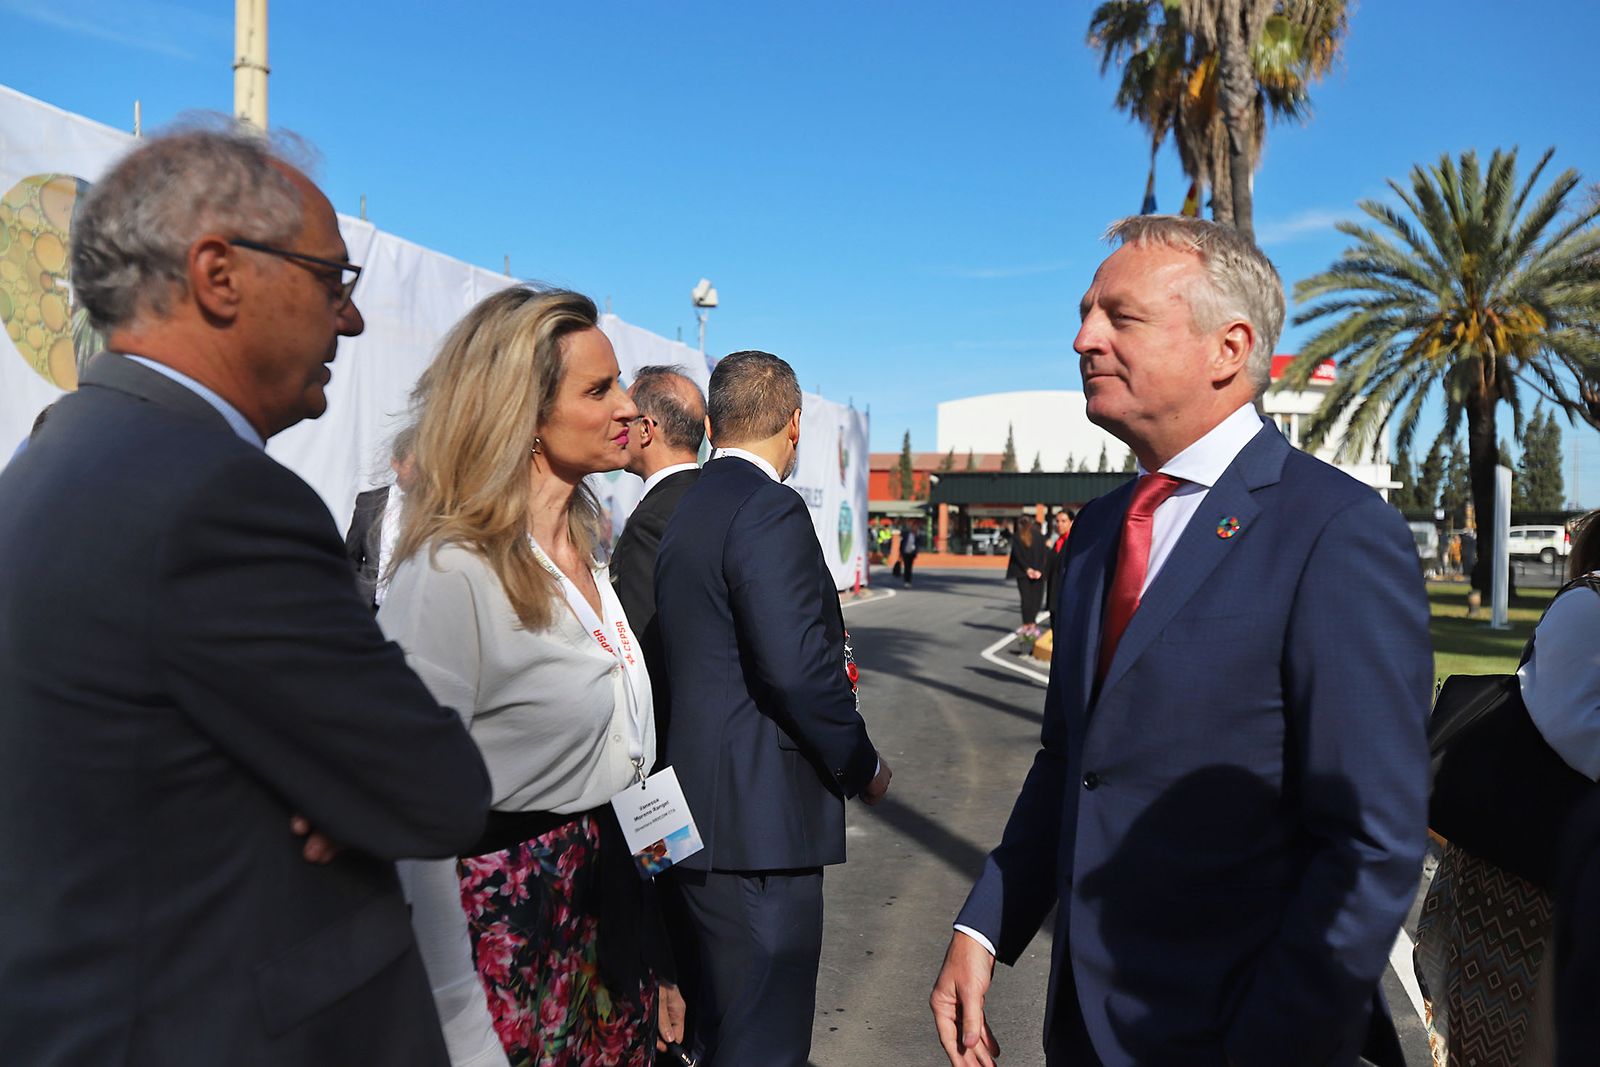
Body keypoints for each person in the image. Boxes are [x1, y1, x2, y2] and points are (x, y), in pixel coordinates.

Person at [0, 126, 492, 1065]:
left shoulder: (54, 455)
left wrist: (317, 770)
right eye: (330, 280)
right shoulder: (219, 498)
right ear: (219, 273)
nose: (348, 320)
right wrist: (329, 780)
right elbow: (434, 788)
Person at [931, 215, 1432, 1067]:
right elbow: (1070, 761)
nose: (1083, 337)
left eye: (1120, 317)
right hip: (1085, 1032)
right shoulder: (1093, 535)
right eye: (1087, 312)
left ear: (1227, 348)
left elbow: (1371, 841)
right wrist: (985, 922)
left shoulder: (1337, 533)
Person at [377, 287, 681, 1067]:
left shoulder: (592, 558)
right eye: (598, 389)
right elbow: (405, 825)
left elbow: (629, 764)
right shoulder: (451, 571)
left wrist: (666, 948)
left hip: (611, 922)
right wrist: (457, 1022)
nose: (628, 407)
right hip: (507, 941)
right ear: (526, 414)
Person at [654, 350, 893, 1065]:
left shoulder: (687, 506)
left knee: (725, 1029)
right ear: (794, 425)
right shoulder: (768, 506)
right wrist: (862, 764)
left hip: (693, 821)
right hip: (755, 830)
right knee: (765, 1039)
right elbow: (796, 670)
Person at [1420, 510, 1600, 1065]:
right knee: (1509, 1042)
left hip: (1558, 871)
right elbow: (1575, 729)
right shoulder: (1587, 607)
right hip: (1521, 876)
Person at [611, 363, 706, 703]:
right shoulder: (714, 500)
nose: (619, 427)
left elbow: (642, 646)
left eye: (627, 420)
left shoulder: (652, 520)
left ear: (647, 430)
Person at [345, 423, 418, 610]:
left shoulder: (434, 507)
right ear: (396, 463)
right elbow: (351, 556)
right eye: (414, 467)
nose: (420, 474)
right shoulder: (369, 502)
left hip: (410, 610)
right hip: (370, 608)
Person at [1006, 515, 1050, 636]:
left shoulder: (1016, 537)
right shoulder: (1040, 537)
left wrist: (1027, 569)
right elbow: (1045, 555)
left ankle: (1026, 624)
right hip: (1038, 573)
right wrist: (1039, 570)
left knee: (1026, 600)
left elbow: (1017, 556)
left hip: (1023, 573)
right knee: (1036, 599)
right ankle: (1032, 625)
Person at [1045, 509, 1074, 627]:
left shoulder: (1074, 542)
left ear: (1071, 522)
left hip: (1067, 599)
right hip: (1054, 597)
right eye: (1057, 521)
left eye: (1063, 521)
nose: (1059, 524)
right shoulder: (1057, 542)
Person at [901, 517, 923, 586]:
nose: (914, 528)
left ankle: (908, 580)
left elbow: (920, 543)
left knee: (909, 567)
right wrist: (901, 552)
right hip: (905, 552)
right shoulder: (907, 534)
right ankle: (906, 580)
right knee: (906, 567)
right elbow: (902, 543)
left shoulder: (917, 536)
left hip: (912, 553)